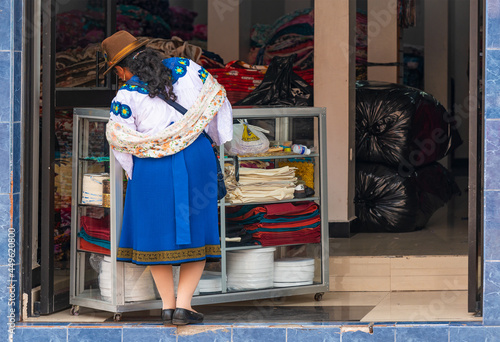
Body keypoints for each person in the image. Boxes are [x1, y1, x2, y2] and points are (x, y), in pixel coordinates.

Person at [101, 31, 233, 325]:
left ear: (123, 68)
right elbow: (218, 102)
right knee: (197, 230)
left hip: (151, 167)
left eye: (117, 71)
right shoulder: (188, 69)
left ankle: (167, 306)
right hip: (196, 159)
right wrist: (207, 136)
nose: (120, 77)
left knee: (153, 234)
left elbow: (120, 140)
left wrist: (136, 172)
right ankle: (184, 307)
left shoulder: (125, 95)